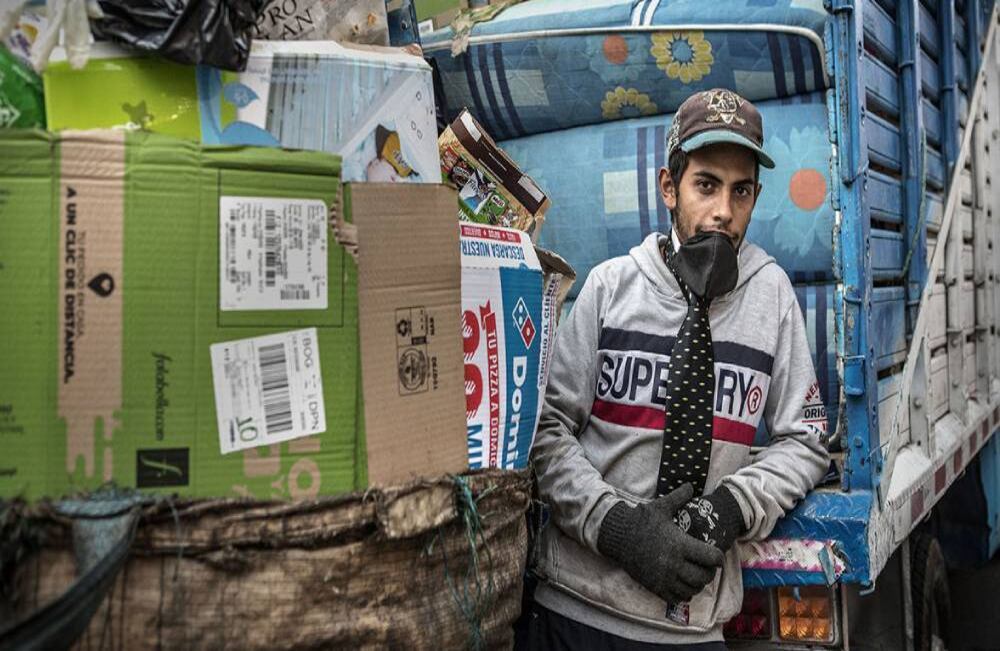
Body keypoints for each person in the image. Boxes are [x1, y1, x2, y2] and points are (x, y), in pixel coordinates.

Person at [524, 88, 830, 649]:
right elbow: (544, 431)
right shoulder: (610, 288)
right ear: (670, 187)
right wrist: (618, 528)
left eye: (742, 192)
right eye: (706, 185)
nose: (724, 212)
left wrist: (731, 508)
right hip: (575, 612)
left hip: (692, 631)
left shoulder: (772, 300)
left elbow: (804, 442)